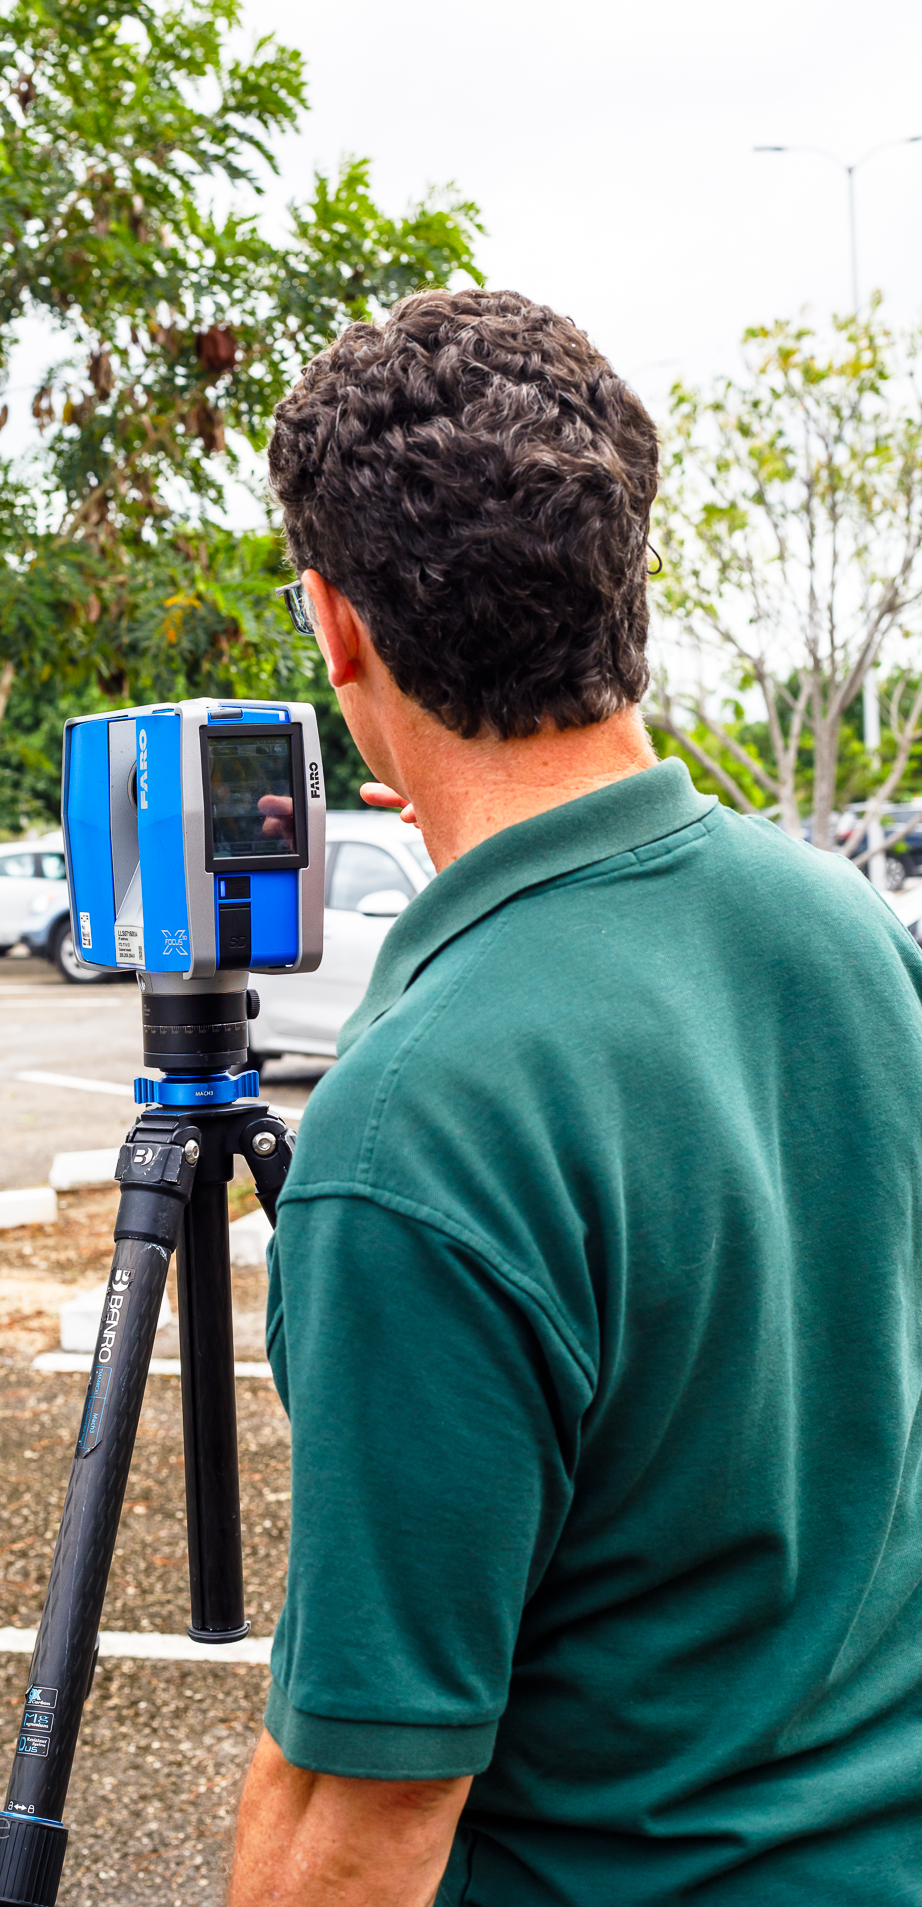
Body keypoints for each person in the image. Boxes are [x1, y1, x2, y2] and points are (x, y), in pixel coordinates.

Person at [227, 289, 922, 1907]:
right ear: (621, 575)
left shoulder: (415, 1125)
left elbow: (372, 1803)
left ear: (336, 626)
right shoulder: (846, 931)